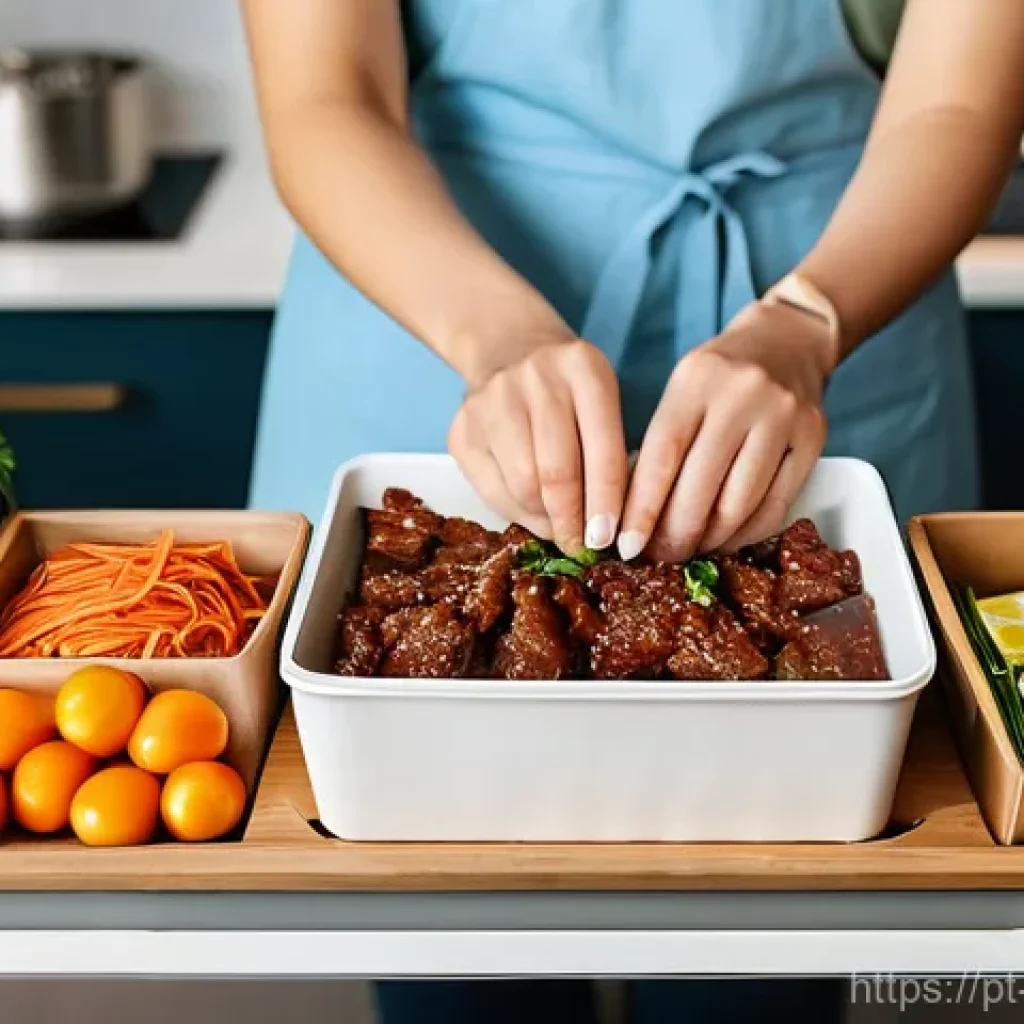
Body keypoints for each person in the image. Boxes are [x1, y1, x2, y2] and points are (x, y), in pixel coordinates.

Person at [242, 0, 1024, 1020]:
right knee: (460, 963)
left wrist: (806, 320)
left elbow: (963, 101)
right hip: (432, 310)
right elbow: (320, 95)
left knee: (764, 965)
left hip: (840, 287)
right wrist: (495, 334)